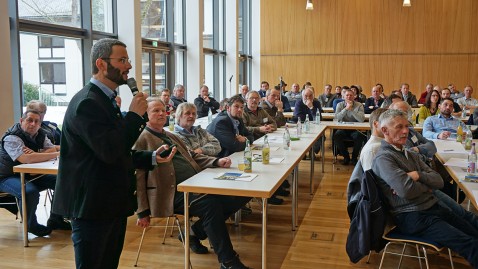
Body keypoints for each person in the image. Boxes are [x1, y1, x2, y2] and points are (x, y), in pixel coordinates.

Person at [51, 38, 172, 269]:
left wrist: (151, 157)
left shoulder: (105, 100)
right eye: (122, 60)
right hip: (92, 206)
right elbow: (110, 151)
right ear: (102, 64)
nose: (128, 66)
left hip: (109, 202)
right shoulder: (88, 103)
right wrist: (135, 117)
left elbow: (116, 150)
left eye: (128, 60)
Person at [134, 98, 251, 269]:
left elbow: (193, 156)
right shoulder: (143, 139)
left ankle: (194, 232)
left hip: (194, 184)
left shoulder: (170, 135)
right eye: (155, 111)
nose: (161, 114)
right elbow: (138, 178)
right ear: (145, 115)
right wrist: (141, 211)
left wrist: (216, 162)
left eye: (163, 110)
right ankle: (228, 261)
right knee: (211, 204)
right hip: (169, 194)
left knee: (237, 195)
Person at [372, 109, 478, 268]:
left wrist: (417, 175)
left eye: (407, 126)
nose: (406, 131)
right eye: (399, 127)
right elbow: (406, 191)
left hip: (431, 207)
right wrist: (426, 185)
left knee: (473, 230)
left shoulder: (410, 154)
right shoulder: (383, 158)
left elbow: (439, 181)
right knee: (470, 244)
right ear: (385, 130)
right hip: (412, 216)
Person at [0, 110, 70, 237]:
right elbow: (25, 159)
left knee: (62, 181)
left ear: (40, 123)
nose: (33, 124)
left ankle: (56, 219)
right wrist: (54, 154)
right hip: (6, 177)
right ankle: (31, 225)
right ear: (21, 121)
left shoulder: (41, 134)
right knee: (29, 192)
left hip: (29, 174)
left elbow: (51, 148)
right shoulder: (12, 137)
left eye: (36, 121)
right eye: (29, 120)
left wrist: (35, 154)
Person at [334, 88, 366, 165]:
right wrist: (346, 109)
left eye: (351, 95)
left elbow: (361, 119)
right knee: (336, 136)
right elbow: (336, 118)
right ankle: (346, 156)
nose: (349, 97)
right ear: (344, 97)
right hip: (343, 129)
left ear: (354, 96)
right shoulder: (340, 105)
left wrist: (351, 110)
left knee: (359, 137)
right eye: (347, 95)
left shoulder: (359, 105)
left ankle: (354, 158)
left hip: (355, 129)